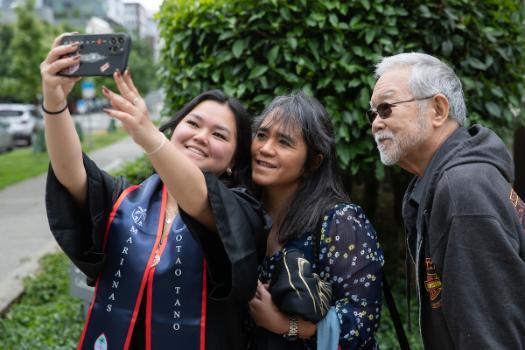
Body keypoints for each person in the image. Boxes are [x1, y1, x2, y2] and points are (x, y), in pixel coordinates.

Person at [41, 33, 268, 350]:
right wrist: (54, 101)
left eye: (219, 134)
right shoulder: (125, 200)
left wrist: (148, 137)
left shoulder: (243, 212)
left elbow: (202, 202)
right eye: (193, 123)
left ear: (233, 159)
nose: (201, 137)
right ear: (175, 130)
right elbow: (70, 172)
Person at [368, 52, 525, 349]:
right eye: (373, 113)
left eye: (386, 108)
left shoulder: (463, 191)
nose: (376, 123)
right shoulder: (456, 181)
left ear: (438, 109)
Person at [248, 92, 384, 349]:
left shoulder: (341, 221)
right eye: (262, 135)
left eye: (284, 142)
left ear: (313, 161)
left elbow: (362, 320)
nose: (265, 149)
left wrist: (284, 325)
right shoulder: (244, 213)